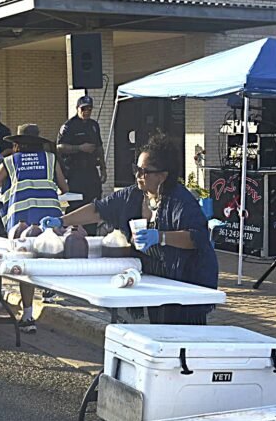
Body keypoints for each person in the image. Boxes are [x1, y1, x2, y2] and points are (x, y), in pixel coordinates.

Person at [42, 133, 218, 325]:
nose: (138, 176)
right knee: (159, 325)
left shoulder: (180, 201)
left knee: (182, 331)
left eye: (144, 171)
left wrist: (161, 237)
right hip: (156, 277)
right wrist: (62, 220)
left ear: (162, 176)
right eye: (136, 169)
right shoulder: (133, 195)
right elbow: (98, 209)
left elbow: (197, 238)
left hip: (187, 279)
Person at [0, 124, 68, 334]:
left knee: (26, 266)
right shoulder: (50, 159)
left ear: (17, 145)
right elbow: (64, 188)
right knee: (48, 257)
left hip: (22, 222)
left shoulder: (11, 161)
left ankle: (28, 316)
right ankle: (49, 292)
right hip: (50, 220)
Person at [56, 95, 107, 235]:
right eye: (84, 108)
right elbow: (59, 147)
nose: (87, 112)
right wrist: (79, 148)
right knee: (77, 203)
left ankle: (91, 233)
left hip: (91, 170)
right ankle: (73, 233)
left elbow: (99, 148)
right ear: (78, 108)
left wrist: (103, 168)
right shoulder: (69, 125)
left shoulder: (93, 125)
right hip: (75, 171)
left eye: (89, 109)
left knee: (95, 202)